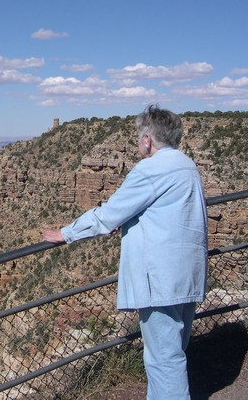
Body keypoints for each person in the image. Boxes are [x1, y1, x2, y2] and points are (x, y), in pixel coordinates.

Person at [43, 105, 208, 400]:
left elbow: (109, 214)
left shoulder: (150, 169)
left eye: (137, 138)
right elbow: (166, 212)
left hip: (161, 279)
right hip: (189, 272)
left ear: (147, 139)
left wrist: (65, 233)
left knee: (163, 359)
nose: (136, 143)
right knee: (173, 350)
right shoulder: (187, 165)